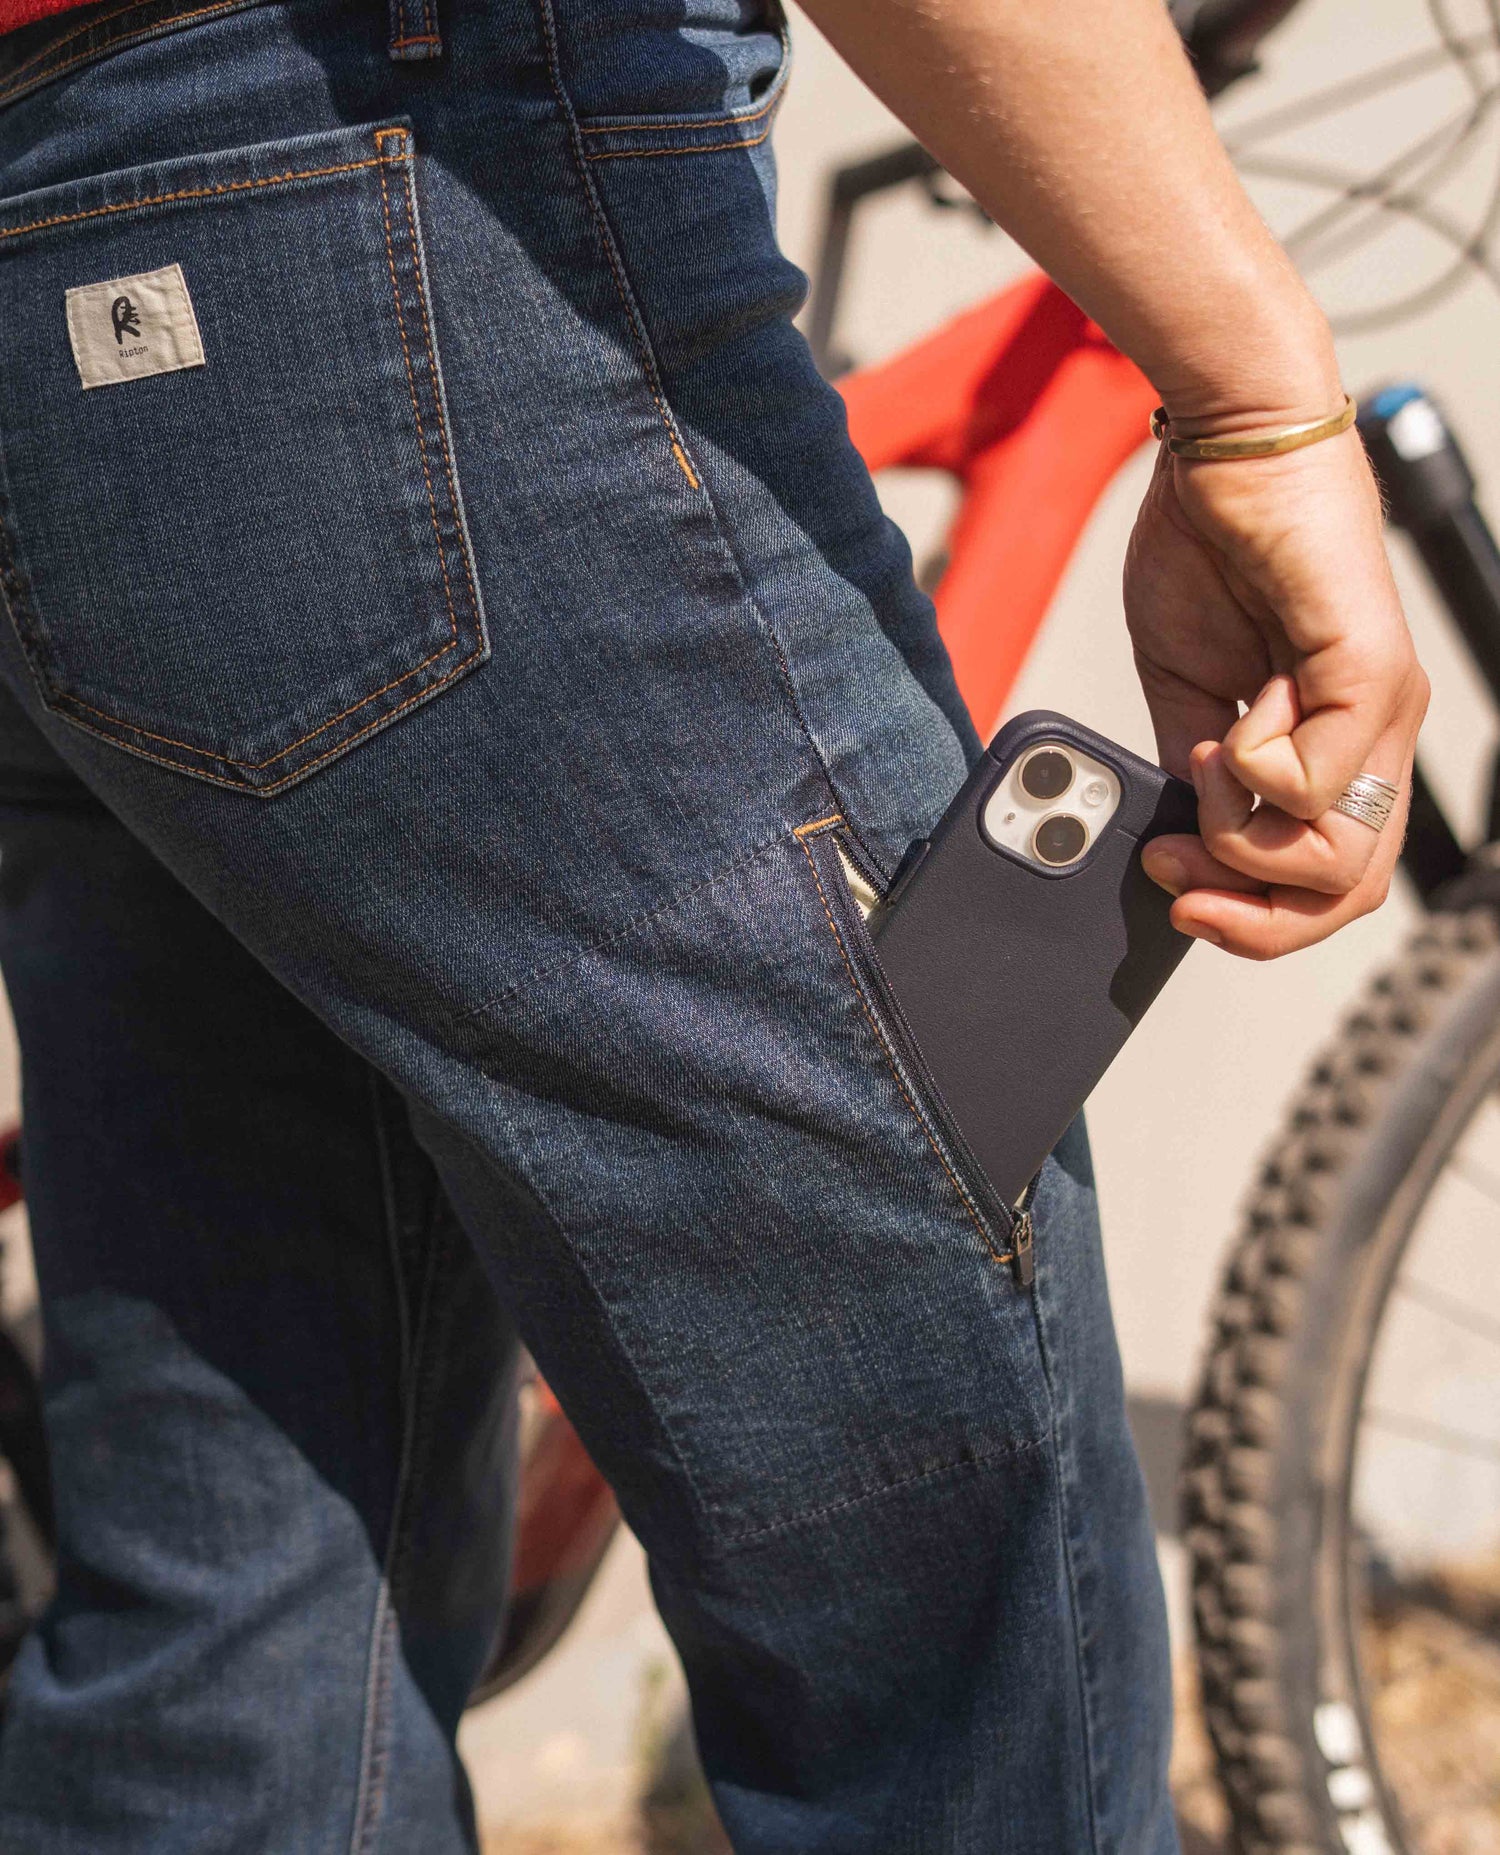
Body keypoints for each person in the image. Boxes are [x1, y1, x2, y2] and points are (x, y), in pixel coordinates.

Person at [0, 0, 1426, 1847]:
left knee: (250, 1630)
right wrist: (1255, 396)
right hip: (404, 178)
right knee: (962, 1646)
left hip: (65, 237)